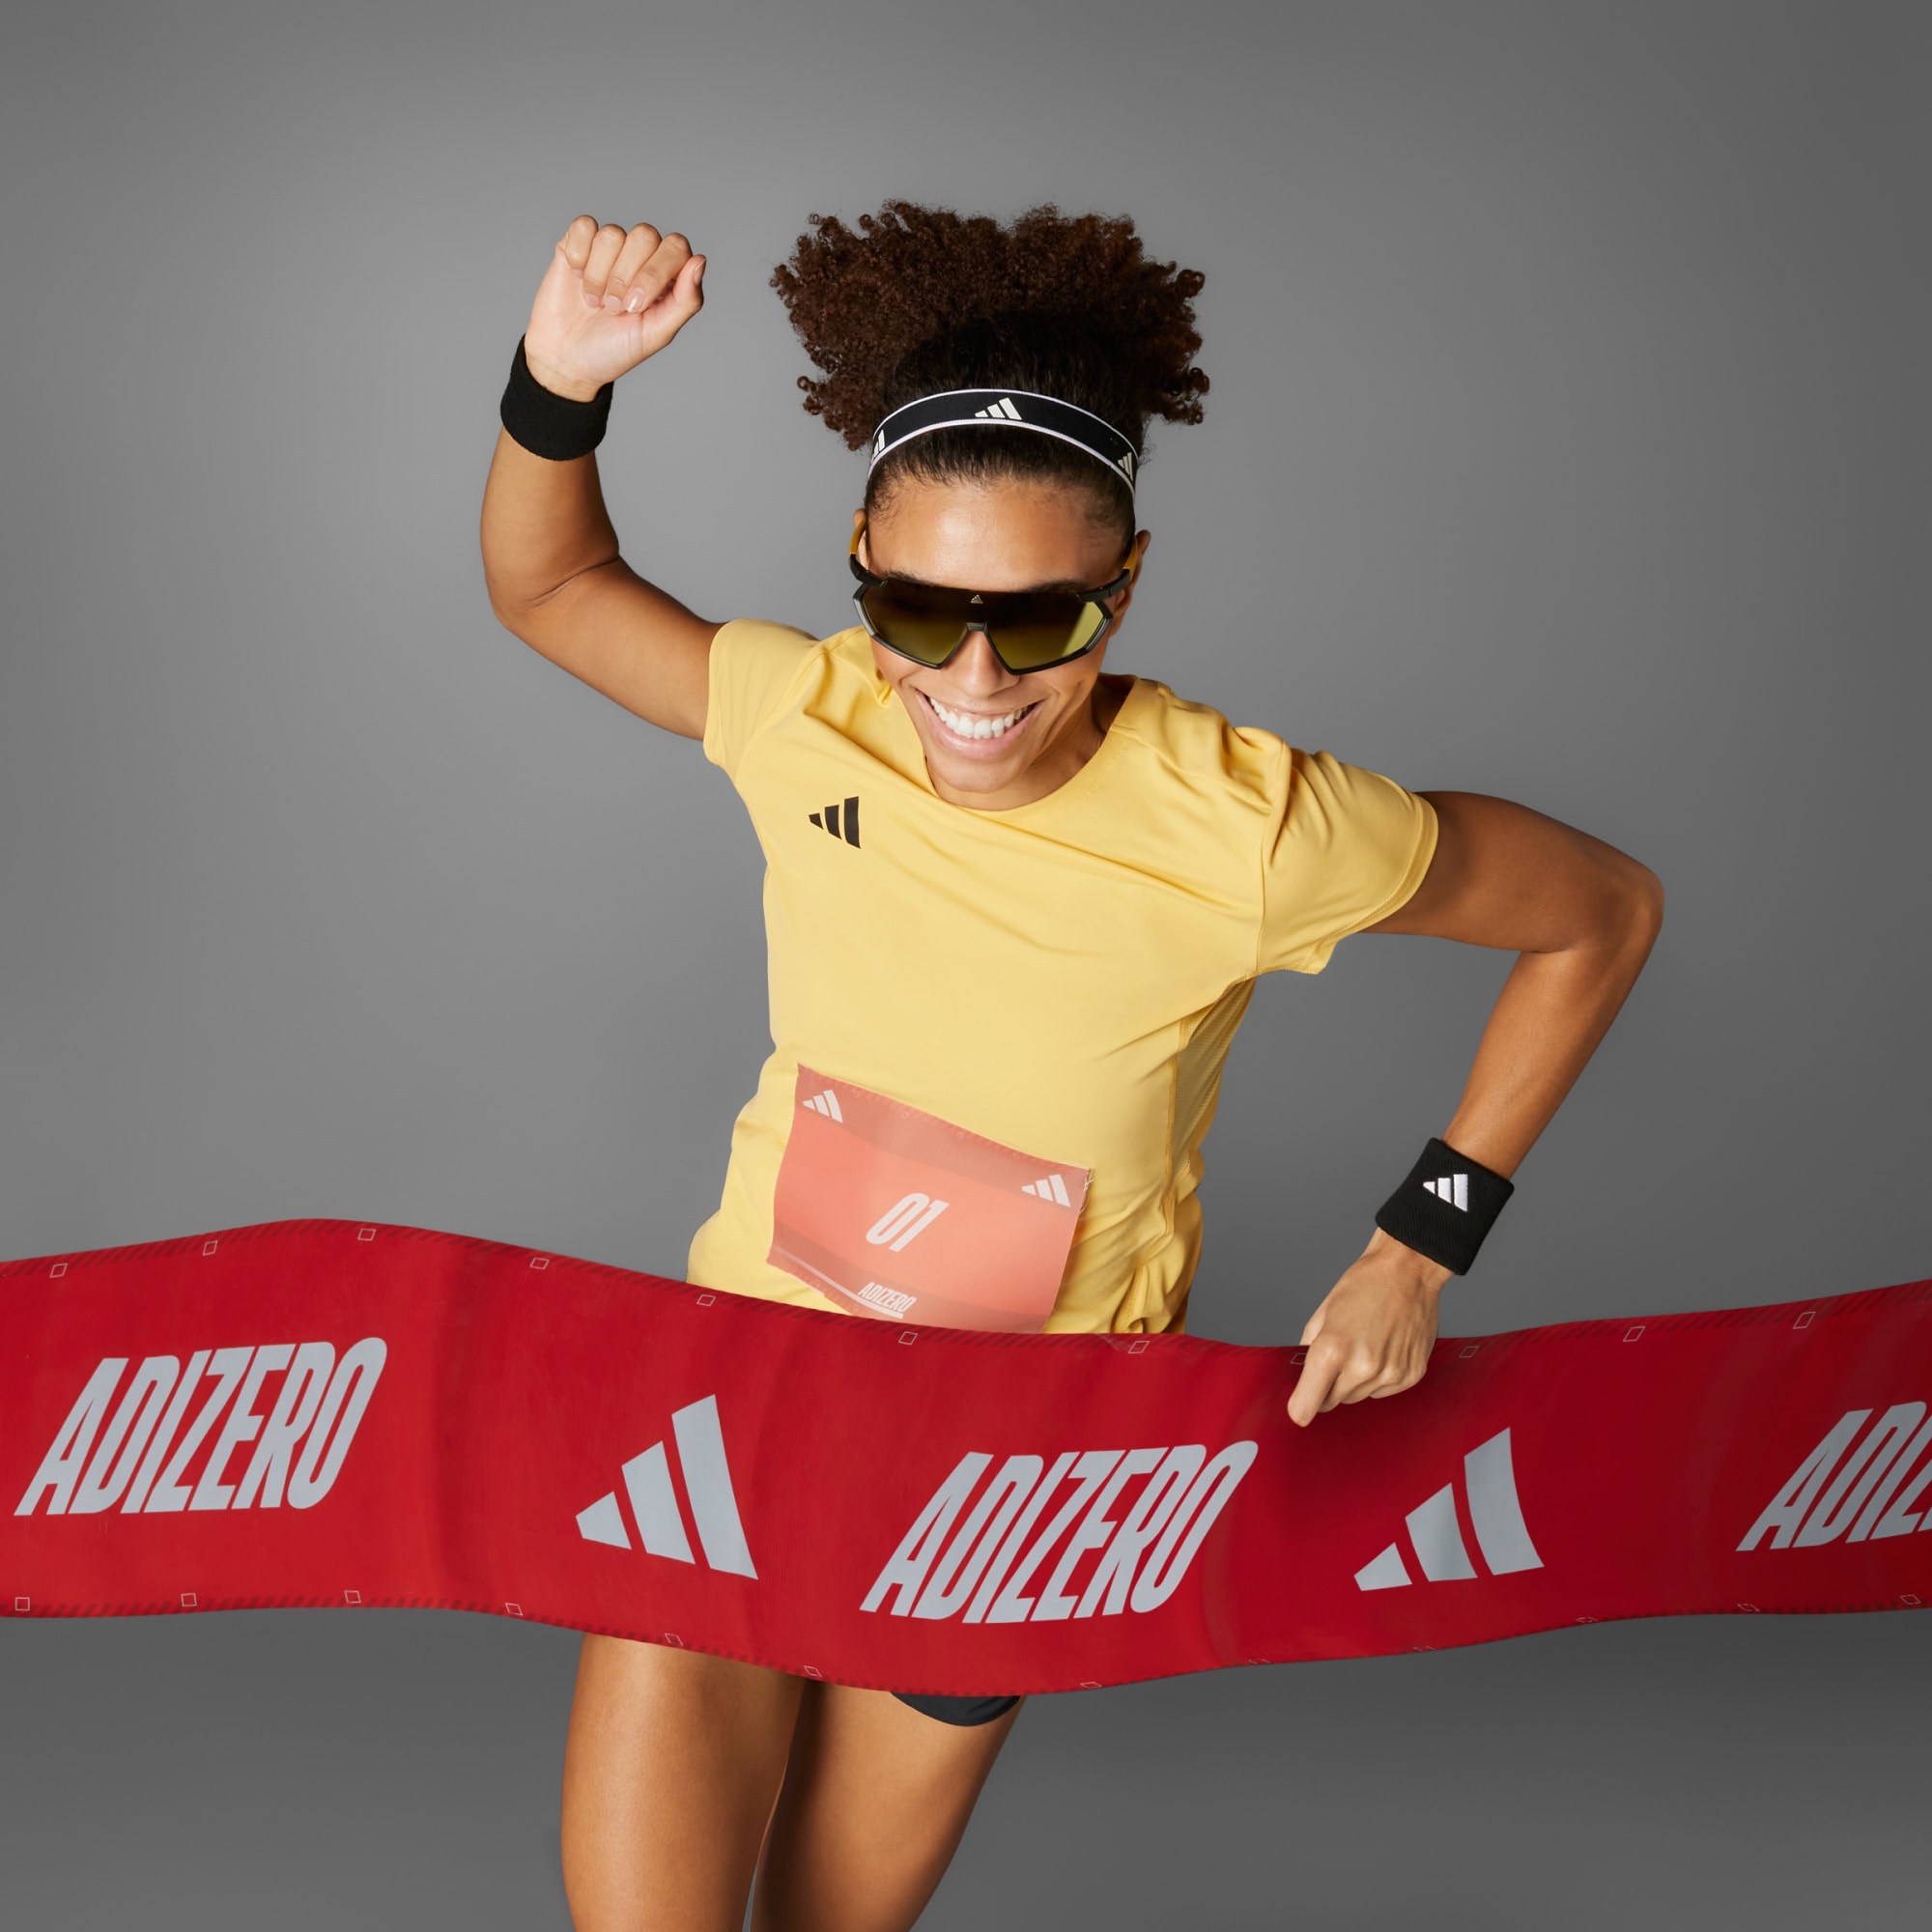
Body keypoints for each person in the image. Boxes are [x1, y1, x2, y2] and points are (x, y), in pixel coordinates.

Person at [478, 200, 1663, 1932]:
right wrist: (557, 383)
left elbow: (1601, 913)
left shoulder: (1249, 825)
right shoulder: (806, 709)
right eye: (918, 607)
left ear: (1128, 584)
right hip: (742, 1408)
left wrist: (1422, 1244)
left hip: (1017, 1477)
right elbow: (551, 586)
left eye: (1038, 625)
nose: (971, 681)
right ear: (861, 557)